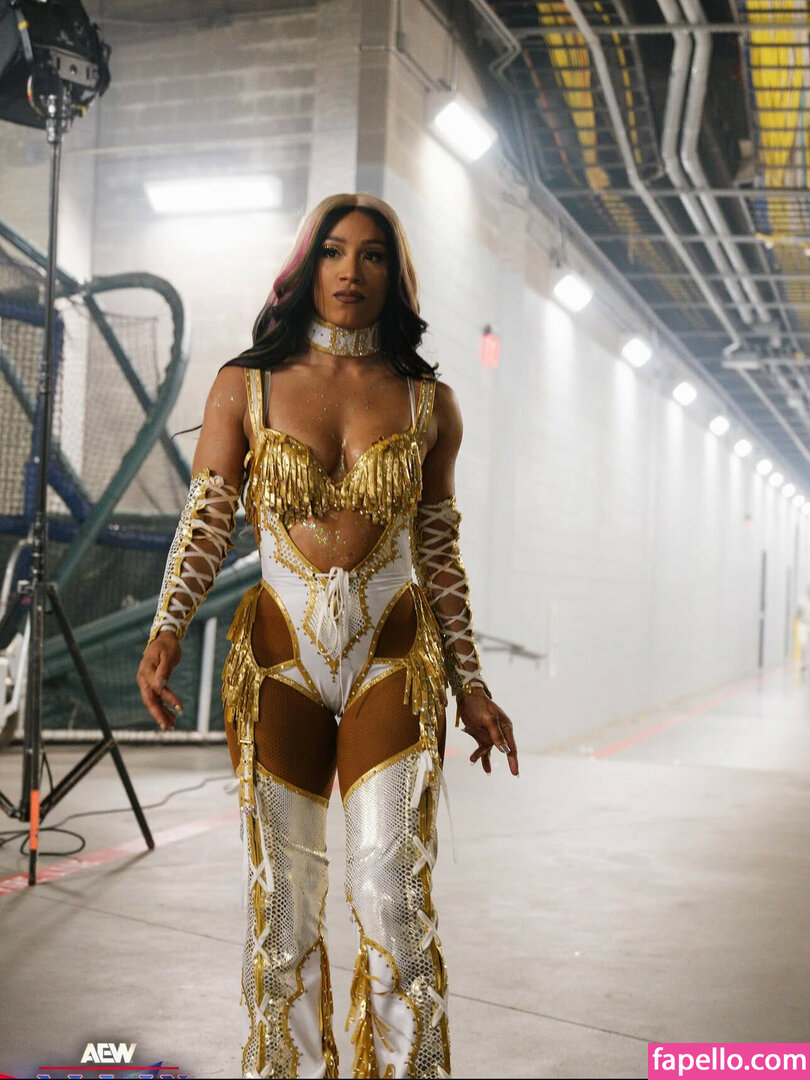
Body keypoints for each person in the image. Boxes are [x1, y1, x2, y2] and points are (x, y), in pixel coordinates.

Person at [136, 193, 518, 1080]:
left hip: (393, 655)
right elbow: (207, 520)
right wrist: (166, 630)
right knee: (283, 903)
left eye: (373, 255)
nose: (351, 272)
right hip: (281, 661)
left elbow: (438, 549)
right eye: (335, 252)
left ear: (395, 275)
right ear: (307, 266)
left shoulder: (430, 403)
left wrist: (471, 685)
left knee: (391, 893)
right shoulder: (245, 385)